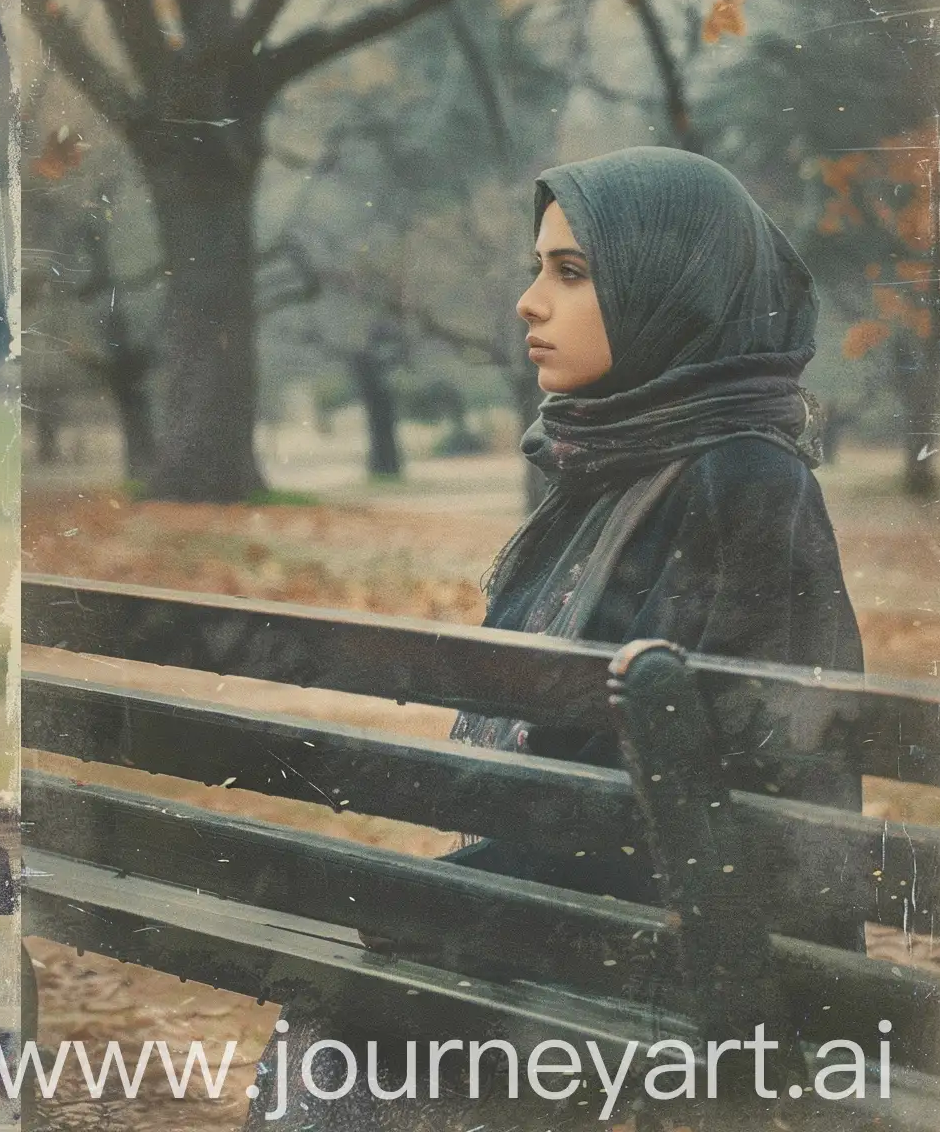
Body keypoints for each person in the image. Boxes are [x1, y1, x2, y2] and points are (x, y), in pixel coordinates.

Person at [248, 146, 864, 1128]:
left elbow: (710, 812)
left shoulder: (740, 479)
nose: (528, 302)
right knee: (353, 1006)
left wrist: (425, 900)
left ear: (672, 289)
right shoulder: (630, 462)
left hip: (695, 960)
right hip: (602, 920)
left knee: (350, 1011)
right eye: (539, 268)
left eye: (569, 272)